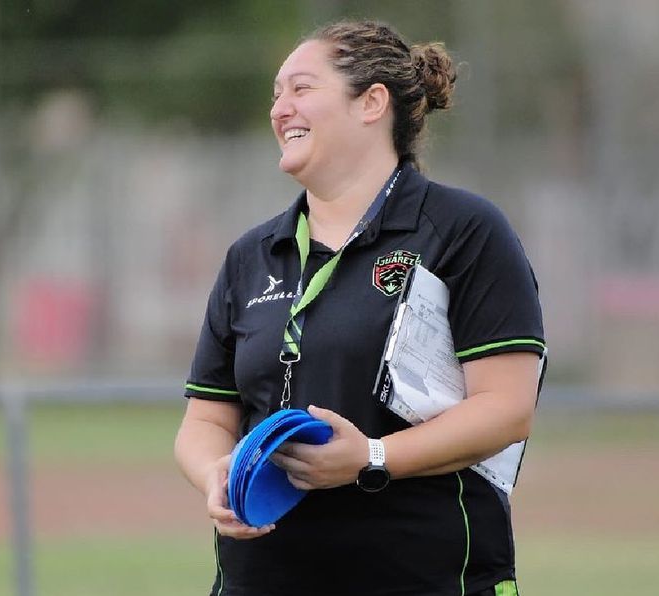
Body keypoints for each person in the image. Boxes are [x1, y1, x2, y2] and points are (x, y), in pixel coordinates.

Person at [175, 20, 545, 596]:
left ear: (371, 103)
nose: (280, 109)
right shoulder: (251, 255)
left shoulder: (463, 232)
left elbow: (506, 408)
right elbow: (206, 419)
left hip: (427, 575)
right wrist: (214, 475)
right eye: (276, 94)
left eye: (300, 89)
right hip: (265, 579)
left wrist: (372, 457)